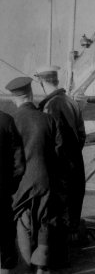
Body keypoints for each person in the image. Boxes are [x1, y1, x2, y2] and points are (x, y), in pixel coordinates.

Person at [6, 77, 66, 274]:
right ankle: (41, 268)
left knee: (22, 221)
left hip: (21, 182)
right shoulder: (48, 119)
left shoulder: (11, 120)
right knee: (45, 221)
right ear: (31, 95)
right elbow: (59, 153)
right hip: (45, 179)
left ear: (15, 99)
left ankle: (25, 266)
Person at [35, 65, 86, 243]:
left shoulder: (51, 105)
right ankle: (72, 239)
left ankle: (61, 251)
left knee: (59, 206)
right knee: (73, 203)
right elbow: (81, 135)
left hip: (60, 164)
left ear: (42, 83)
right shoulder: (71, 101)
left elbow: (56, 140)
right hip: (75, 161)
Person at [0, 110, 25, 274]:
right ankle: (6, 262)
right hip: (2, 188)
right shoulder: (6, 120)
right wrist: (11, 185)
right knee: (5, 228)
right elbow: (19, 160)